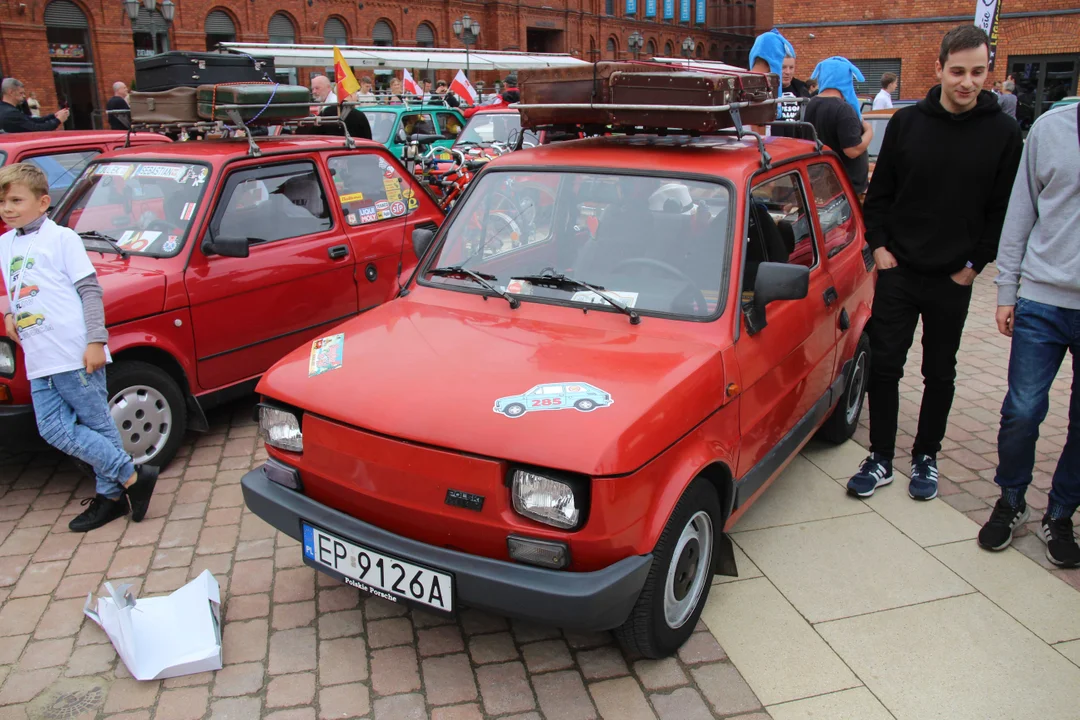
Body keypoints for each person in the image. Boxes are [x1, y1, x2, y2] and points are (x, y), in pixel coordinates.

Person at [847, 25, 1023, 501]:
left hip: (953, 275)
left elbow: (1002, 209)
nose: (968, 82)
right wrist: (880, 248)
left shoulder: (1004, 133)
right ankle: (881, 456)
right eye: (959, 71)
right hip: (899, 269)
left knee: (939, 372)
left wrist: (974, 263)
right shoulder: (907, 124)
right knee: (885, 365)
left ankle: (926, 456)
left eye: (978, 72)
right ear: (940, 68)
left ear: (989, 73)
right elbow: (878, 197)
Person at [0, 163, 158, 532]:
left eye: (16, 200)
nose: (7, 208)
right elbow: (12, 286)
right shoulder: (5, 243)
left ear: (43, 203)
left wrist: (95, 340)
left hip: (73, 350)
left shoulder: (62, 239)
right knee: (52, 427)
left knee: (97, 424)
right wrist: (8, 313)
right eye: (3, 201)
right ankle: (131, 476)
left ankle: (112, 496)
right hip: (39, 355)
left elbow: (90, 290)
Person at [976, 103, 1080, 567]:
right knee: (1022, 410)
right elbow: (1020, 215)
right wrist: (1006, 290)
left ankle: (1060, 513)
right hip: (1042, 298)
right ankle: (1012, 499)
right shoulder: (1050, 130)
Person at [804, 57, 873, 194]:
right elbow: (852, 150)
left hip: (821, 182)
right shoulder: (844, 109)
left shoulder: (811, 104)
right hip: (845, 186)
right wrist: (869, 132)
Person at [749, 29, 801, 120]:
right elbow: (758, 128)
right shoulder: (760, 86)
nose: (787, 72)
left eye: (791, 67)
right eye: (782, 66)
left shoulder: (743, 81)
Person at [0, 78, 68, 133]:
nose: (24, 96)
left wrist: (53, 116)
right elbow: (36, 129)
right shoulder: (10, 113)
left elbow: (32, 120)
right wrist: (58, 120)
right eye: (21, 93)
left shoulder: (5, 109)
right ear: (11, 92)